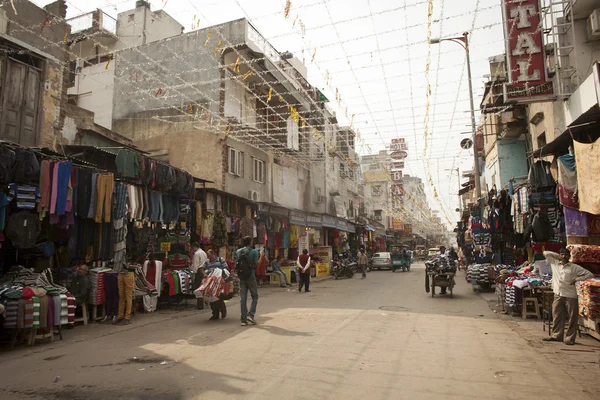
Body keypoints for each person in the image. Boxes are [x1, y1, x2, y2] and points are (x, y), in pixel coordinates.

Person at [543, 248, 593, 345]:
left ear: (569, 256)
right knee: (557, 315)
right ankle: (557, 335)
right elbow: (546, 253)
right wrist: (559, 256)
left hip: (570, 295)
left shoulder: (574, 267)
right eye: (562, 254)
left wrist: (577, 279)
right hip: (558, 293)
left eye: (566, 255)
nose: (564, 256)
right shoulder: (555, 263)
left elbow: (589, 274)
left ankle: (570, 338)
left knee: (572, 317)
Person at [235, 236, 263, 326]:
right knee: (255, 296)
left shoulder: (238, 252)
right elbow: (257, 264)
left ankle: (243, 319)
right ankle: (251, 315)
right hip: (250, 276)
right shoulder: (254, 252)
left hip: (242, 276)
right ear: (250, 242)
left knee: (243, 298)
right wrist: (261, 256)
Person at [203, 250, 231, 321]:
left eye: (210, 256)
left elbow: (226, 269)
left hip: (219, 281)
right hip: (210, 281)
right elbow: (202, 269)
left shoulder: (220, 260)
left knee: (219, 296)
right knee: (211, 297)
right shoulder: (207, 262)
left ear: (214, 254)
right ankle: (215, 314)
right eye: (208, 256)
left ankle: (222, 310)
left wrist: (219, 272)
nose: (209, 257)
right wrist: (204, 274)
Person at [191, 242, 208, 310]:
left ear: (195, 247)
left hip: (199, 271)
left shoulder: (197, 254)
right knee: (203, 287)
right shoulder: (203, 252)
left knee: (198, 287)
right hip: (204, 270)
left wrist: (194, 273)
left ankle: (200, 305)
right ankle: (205, 302)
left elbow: (196, 264)